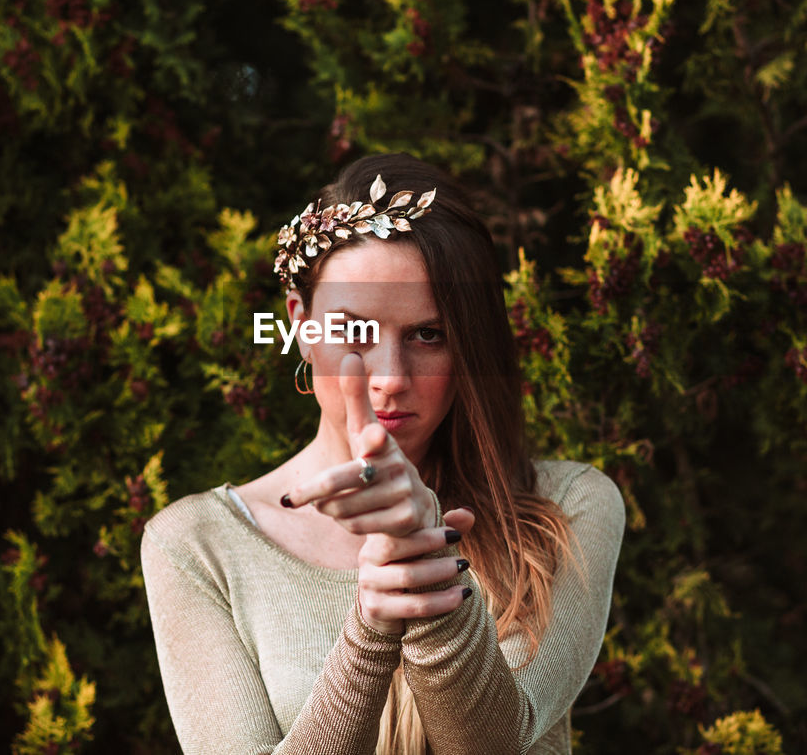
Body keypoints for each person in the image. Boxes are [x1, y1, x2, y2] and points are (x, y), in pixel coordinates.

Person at [141, 153, 626, 754]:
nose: (390, 378)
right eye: (356, 333)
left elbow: (497, 745)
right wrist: (372, 631)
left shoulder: (568, 508)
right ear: (301, 326)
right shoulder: (200, 545)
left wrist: (426, 565)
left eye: (429, 334)